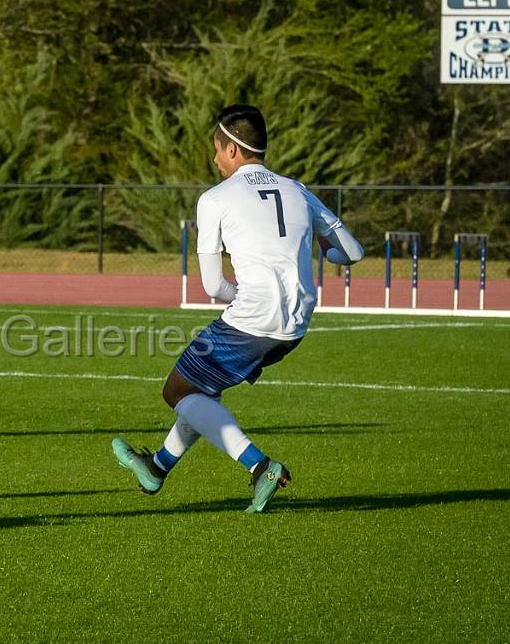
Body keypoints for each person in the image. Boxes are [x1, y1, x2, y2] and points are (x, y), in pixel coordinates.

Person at [113, 104, 364, 513]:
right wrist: (326, 251)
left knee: (177, 390)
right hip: (296, 325)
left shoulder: (215, 199)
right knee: (204, 391)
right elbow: (352, 251)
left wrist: (245, 296)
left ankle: (259, 466)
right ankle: (156, 468)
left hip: (252, 319)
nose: (214, 159)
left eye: (216, 149)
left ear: (232, 149)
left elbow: (213, 285)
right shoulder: (297, 189)